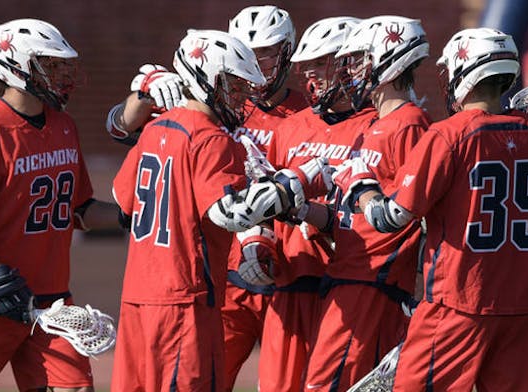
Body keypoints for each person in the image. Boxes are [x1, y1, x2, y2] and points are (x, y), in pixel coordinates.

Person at [330, 27, 528, 391]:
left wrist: (360, 185)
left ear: (463, 72)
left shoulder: (449, 134)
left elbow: (390, 218)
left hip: (457, 305)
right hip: (523, 311)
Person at [0, 18, 121, 392]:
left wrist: (132, 216)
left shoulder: (63, 124)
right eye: (50, 65)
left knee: (76, 388)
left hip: (51, 301)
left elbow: (78, 209)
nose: (61, 74)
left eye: (62, 65)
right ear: (16, 67)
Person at [109, 29, 269, 391]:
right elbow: (228, 214)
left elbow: (122, 201)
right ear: (207, 79)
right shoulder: (213, 138)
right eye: (234, 85)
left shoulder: (154, 128)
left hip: (137, 294)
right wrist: (280, 190)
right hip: (186, 298)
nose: (241, 96)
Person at [237, 16, 372, 392]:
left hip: (351, 284)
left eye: (321, 62)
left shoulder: (380, 125)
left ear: (351, 62)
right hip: (292, 278)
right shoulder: (292, 126)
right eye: (307, 64)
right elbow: (265, 199)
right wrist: (256, 240)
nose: (310, 73)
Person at [301, 15, 434, 391]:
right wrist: (299, 208)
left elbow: (417, 210)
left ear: (389, 59)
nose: (349, 70)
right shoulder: (375, 123)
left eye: (360, 59)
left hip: (374, 279)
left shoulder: (409, 125)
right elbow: (350, 215)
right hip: (348, 273)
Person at [222, 6, 310, 391]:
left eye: (267, 52)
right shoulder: (221, 106)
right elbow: (121, 127)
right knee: (202, 379)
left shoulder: (311, 112)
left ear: (288, 50)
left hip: (290, 271)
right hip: (228, 270)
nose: (256, 62)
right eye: (247, 50)